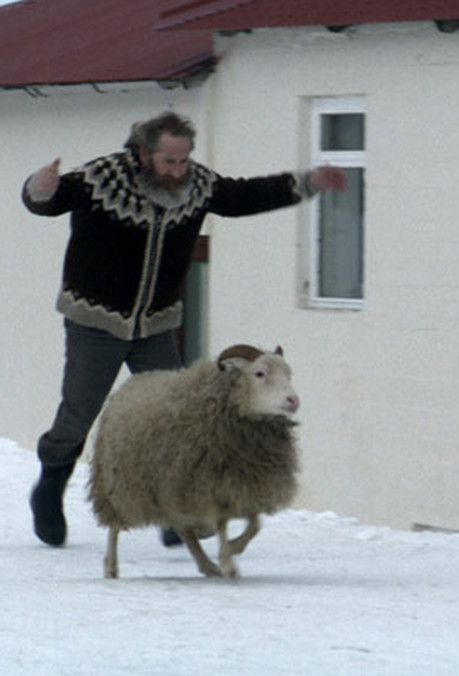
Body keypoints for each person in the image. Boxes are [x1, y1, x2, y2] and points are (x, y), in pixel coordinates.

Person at [22, 110, 347, 547]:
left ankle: (176, 514)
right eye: (168, 162)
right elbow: (49, 201)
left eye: (183, 161)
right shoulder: (101, 178)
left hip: (156, 324)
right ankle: (49, 487)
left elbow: (245, 196)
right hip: (95, 320)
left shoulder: (198, 186)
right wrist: (40, 188)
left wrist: (308, 183)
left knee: (175, 421)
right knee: (79, 412)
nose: (178, 171)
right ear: (143, 154)